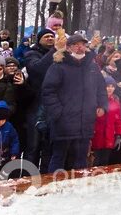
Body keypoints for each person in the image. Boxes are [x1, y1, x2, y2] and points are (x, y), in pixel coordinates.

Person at [41, 33, 107, 173]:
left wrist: (102, 106)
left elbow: (101, 88)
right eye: (76, 45)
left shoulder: (92, 66)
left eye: (82, 44)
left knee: (81, 158)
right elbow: (48, 91)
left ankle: (79, 188)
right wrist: (58, 112)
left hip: (86, 120)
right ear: (69, 48)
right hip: (64, 123)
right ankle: (54, 186)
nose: (79, 47)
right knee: (59, 157)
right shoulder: (59, 66)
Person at [91, 77, 121, 167]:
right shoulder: (96, 100)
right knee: (96, 161)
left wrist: (119, 135)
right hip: (97, 135)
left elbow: (118, 120)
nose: (110, 88)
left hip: (109, 136)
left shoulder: (115, 102)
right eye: (108, 86)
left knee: (105, 161)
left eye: (112, 86)